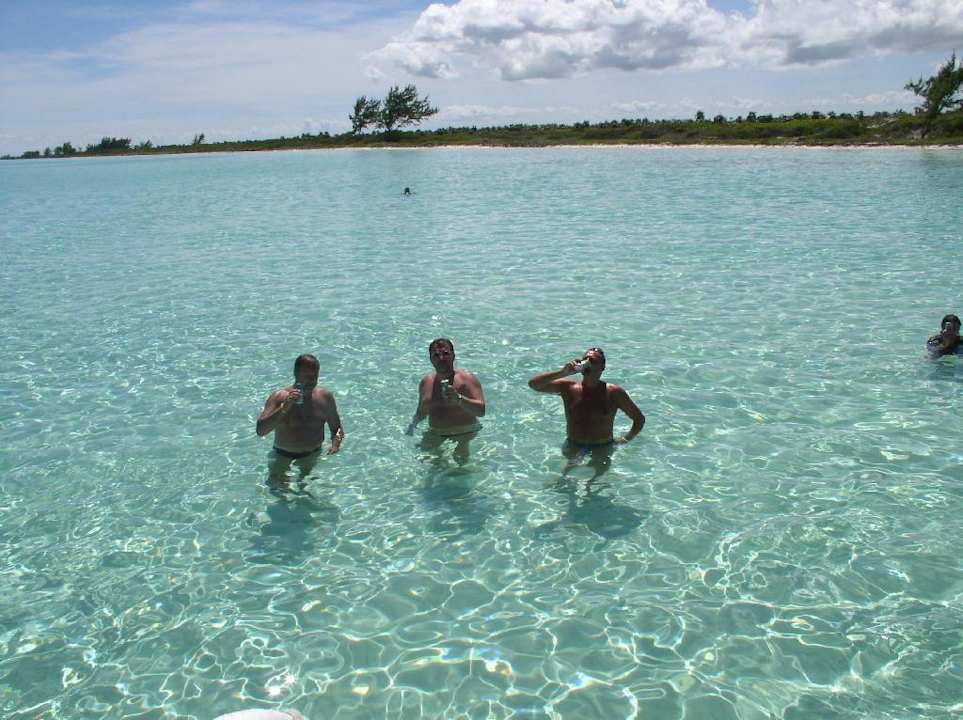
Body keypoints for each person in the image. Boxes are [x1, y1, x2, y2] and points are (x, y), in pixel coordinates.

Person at [528, 347, 645, 460]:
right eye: (585, 360)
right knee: (565, 477)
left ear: (602, 367)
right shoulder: (568, 387)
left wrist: (625, 439)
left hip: (602, 447)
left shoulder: (613, 392)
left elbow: (639, 419)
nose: (587, 363)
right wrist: (563, 372)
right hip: (573, 445)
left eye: (592, 361)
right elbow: (534, 384)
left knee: (599, 479)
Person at [257, 354, 343, 479]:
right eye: (307, 375)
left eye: (315, 375)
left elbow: (337, 428)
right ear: (296, 373)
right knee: (278, 493)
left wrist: (335, 444)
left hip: (313, 455)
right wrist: (284, 408)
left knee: (310, 494)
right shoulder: (278, 397)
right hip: (282, 456)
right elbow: (261, 431)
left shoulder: (325, 397)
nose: (312, 380)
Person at [406, 338, 485, 463]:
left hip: (464, 433)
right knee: (429, 467)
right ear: (431, 359)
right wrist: (412, 425)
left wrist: (459, 399)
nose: (441, 358)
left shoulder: (467, 379)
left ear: (453, 355)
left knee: (461, 467)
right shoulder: (426, 382)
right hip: (436, 433)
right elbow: (421, 410)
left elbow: (481, 411)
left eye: (446, 353)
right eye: (436, 355)